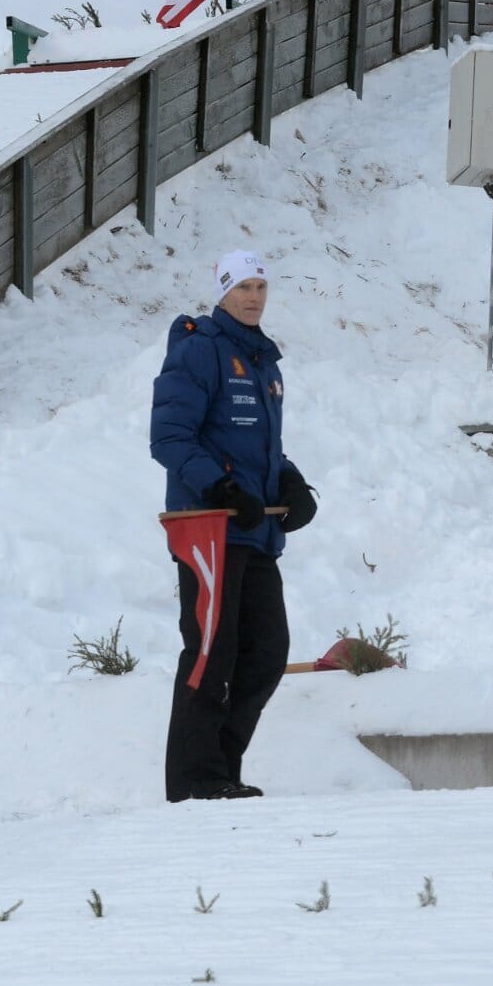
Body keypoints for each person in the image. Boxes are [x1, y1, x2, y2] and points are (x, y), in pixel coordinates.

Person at [150, 252, 318, 802]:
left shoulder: (265, 363)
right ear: (221, 291)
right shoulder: (199, 351)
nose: (253, 297)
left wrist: (291, 485)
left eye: (261, 286)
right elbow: (170, 438)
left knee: (267, 653)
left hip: (253, 531)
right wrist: (219, 488)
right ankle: (195, 780)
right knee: (210, 653)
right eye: (242, 286)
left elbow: (262, 451)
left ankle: (220, 769)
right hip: (209, 532)